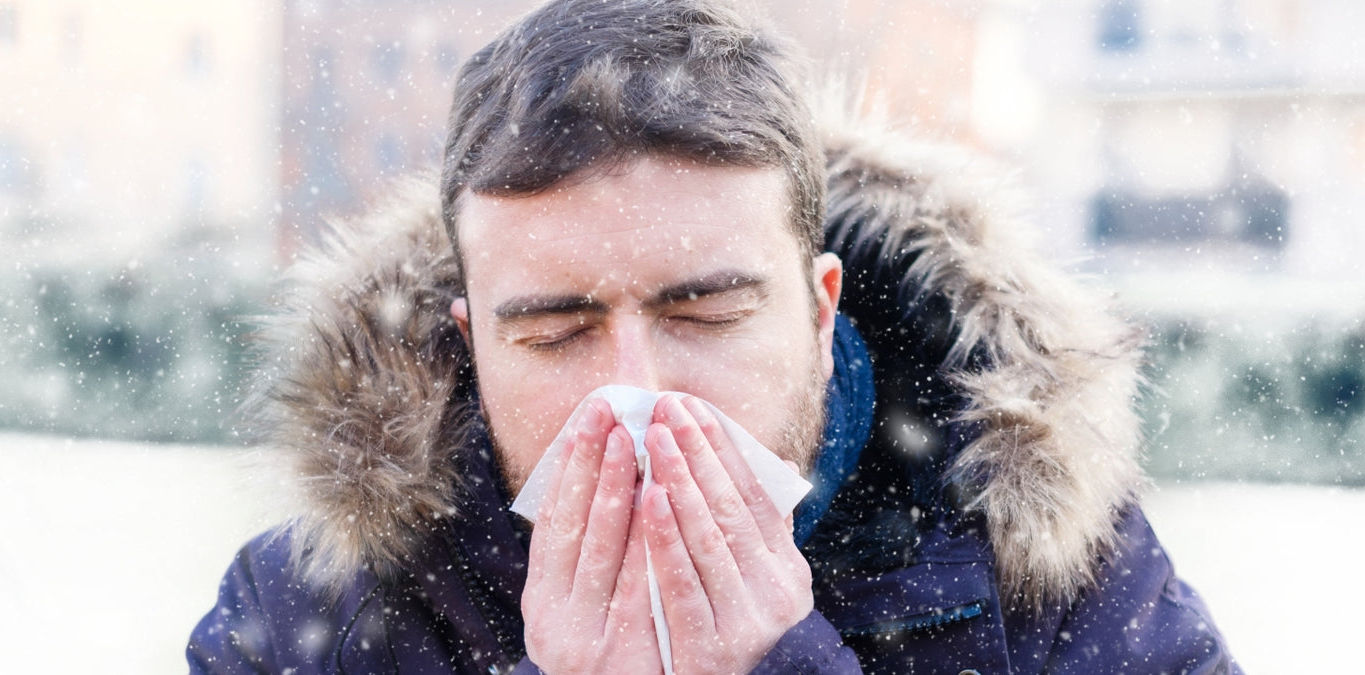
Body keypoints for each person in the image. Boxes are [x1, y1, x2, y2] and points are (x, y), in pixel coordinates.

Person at [187, 0, 1239, 672]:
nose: (637, 392)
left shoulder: (1056, 581)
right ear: (472, 344)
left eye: (705, 313)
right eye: (554, 331)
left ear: (820, 312)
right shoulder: (309, 617)